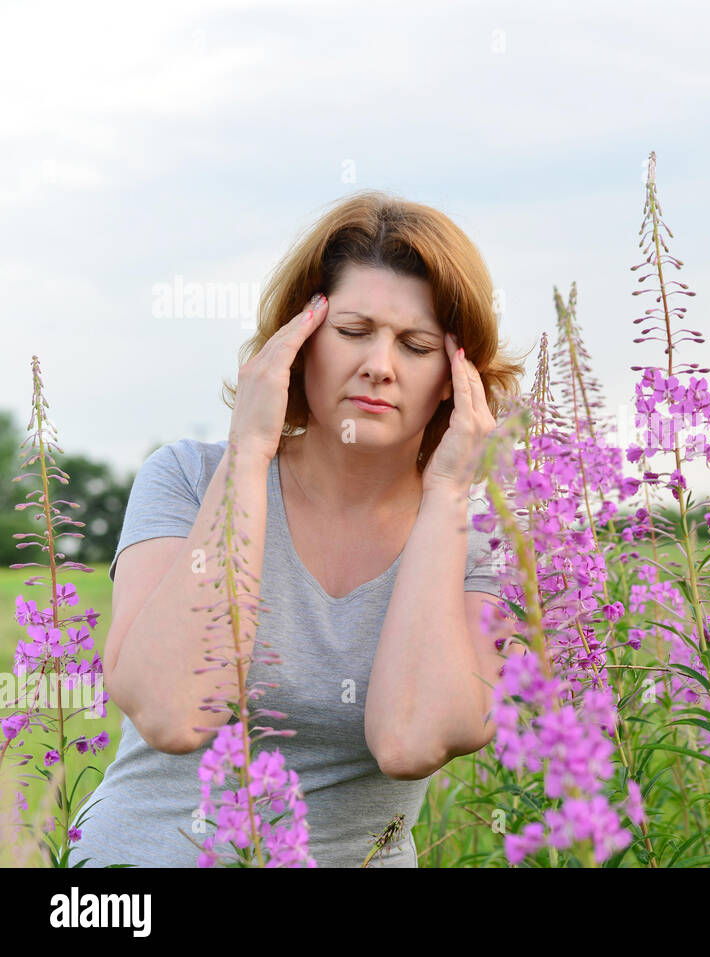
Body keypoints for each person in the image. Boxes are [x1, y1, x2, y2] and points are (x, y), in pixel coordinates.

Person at [73, 191, 527, 867]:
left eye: (416, 343)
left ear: (454, 378)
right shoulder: (188, 479)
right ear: (299, 340)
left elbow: (410, 740)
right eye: (352, 331)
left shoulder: (488, 543)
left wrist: (449, 493)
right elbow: (173, 711)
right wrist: (249, 455)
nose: (380, 363)